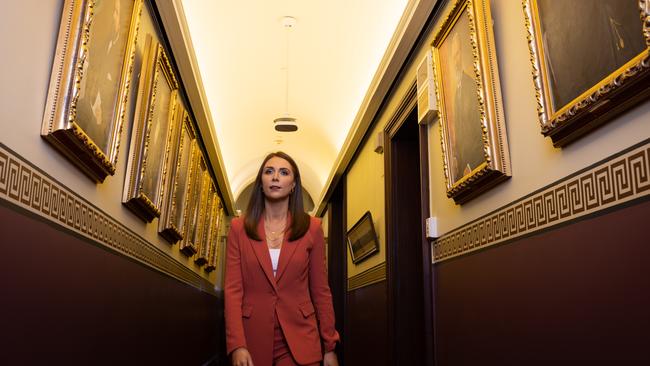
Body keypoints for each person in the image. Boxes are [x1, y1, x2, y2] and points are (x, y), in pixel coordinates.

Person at [225, 151, 340, 366]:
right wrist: (237, 344)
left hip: (301, 337)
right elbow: (233, 291)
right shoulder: (238, 228)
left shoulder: (312, 228)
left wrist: (330, 346)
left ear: (293, 184)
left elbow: (320, 290)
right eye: (269, 171)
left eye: (284, 172)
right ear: (261, 182)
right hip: (253, 337)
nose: (275, 177)